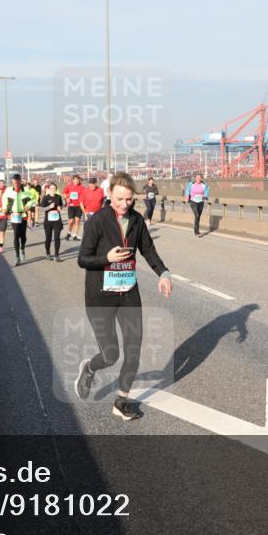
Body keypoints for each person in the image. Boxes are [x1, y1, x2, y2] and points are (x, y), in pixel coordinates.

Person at [75, 172, 173, 421]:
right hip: (100, 296)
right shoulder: (97, 221)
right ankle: (89, 367)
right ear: (109, 195)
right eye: (119, 199)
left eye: (129, 199)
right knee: (111, 355)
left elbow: (148, 250)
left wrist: (163, 273)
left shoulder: (137, 220)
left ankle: (121, 401)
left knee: (133, 349)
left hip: (128, 292)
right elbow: (83, 259)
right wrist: (106, 258)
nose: (124, 204)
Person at [3, 174, 34, 266]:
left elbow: (33, 199)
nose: (16, 184)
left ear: (21, 181)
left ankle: (22, 248)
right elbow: (4, 200)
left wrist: (28, 205)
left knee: (23, 236)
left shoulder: (26, 190)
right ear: (12, 182)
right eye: (14, 182)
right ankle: (17, 258)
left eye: (18, 182)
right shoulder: (8, 190)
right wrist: (5, 209)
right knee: (16, 235)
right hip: (14, 215)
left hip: (23, 214)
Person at [40, 182, 66, 261]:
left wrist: (60, 207)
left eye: (54, 188)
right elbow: (41, 209)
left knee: (57, 238)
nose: (53, 190)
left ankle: (56, 255)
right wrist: (49, 207)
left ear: (56, 189)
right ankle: (48, 254)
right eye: (51, 188)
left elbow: (62, 205)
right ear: (48, 189)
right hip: (48, 222)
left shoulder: (58, 197)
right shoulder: (46, 198)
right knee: (48, 238)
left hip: (57, 221)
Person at [63, 174, 85, 241]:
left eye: (77, 179)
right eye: (74, 179)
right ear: (72, 180)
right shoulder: (69, 186)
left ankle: (75, 235)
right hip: (71, 206)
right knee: (71, 221)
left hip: (78, 206)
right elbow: (64, 193)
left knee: (77, 220)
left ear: (79, 180)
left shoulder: (82, 187)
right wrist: (66, 198)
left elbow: (84, 195)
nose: (76, 181)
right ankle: (69, 233)